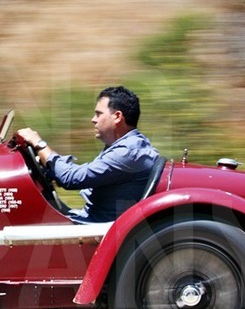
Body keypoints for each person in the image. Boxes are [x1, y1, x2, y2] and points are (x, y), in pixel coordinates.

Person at [18, 86, 159, 224]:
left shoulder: (127, 152)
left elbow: (70, 178)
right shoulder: (128, 145)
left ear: (117, 117)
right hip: (95, 219)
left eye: (99, 114)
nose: (93, 119)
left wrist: (39, 144)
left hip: (99, 228)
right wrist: (47, 163)